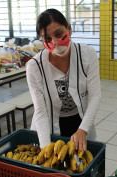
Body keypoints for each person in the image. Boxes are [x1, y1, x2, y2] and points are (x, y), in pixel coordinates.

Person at [26, 8, 101, 151]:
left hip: (80, 121)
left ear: (69, 29)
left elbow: (95, 96)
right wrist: (46, 149)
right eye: (47, 38)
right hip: (48, 125)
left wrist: (83, 130)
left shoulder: (87, 54)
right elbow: (40, 111)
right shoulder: (35, 67)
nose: (55, 42)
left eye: (59, 34)